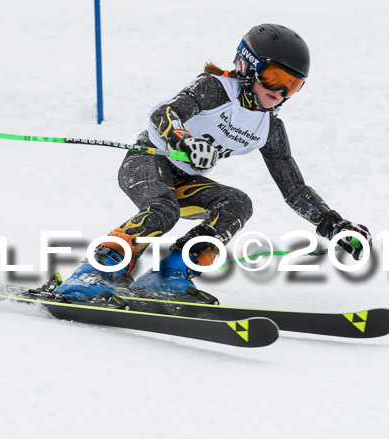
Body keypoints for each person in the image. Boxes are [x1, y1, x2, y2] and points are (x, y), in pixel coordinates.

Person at [55, 23, 371, 300]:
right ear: (249, 66)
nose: (280, 92)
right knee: (163, 210)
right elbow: (164, 113)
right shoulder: (216, 88)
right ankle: (95, 271)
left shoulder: (269, 127)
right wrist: (184, 139)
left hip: (186, 180)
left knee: (237, 203)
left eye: (292, 85)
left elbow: (294, 188)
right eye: (274, 77)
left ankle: (169, 276)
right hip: (147, 161)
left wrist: (334, 224)